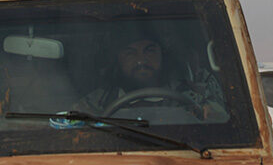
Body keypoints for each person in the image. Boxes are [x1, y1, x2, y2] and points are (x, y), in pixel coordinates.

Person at [77, 36, 226, 121]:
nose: (141, 60)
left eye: (150, 51)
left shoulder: (195, 97)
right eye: (130, 53)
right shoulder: (96, 103)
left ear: (162, 55)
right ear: (118, 60)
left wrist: (210, 116)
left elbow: (221, 124)